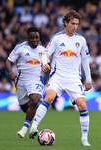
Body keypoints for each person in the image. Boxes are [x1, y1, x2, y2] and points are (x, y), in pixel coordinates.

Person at [29, 10, 92, 146]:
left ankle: (84, 138)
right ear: (65, 22)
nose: (75, 26)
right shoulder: (57, 38)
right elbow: (46, 53)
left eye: (77, 24)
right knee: (49, 98)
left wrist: (89, 79)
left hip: (74, 78)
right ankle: (33, 127)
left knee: (82, 105)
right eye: (72, 23)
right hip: (57, 76)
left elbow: (85, 60)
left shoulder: (81, 40)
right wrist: (45, 63)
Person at [5, 26, 45, 138]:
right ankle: (35, 107)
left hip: (36, 80)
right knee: (25, 108)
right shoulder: (20, 48)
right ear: (27, 37)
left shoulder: (42, 50)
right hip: (21, 81)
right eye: (32, 38)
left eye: (37, 38)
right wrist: (11, 73)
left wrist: (48, 67)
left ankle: (25, 129)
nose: (35, 40)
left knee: (34, 99)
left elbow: (48, 64)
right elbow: (8, 61)